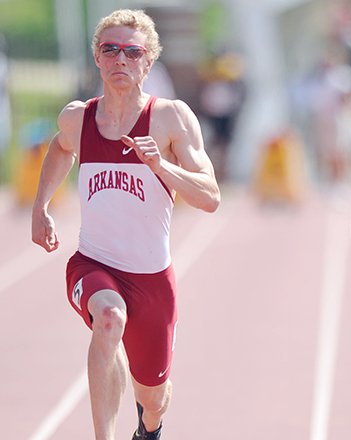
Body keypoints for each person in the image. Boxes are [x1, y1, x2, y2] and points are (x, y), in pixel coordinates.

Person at [31, 9, 220, 440]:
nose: (120, 60)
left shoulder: (170, 118)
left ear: (148, 63)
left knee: (153, 397)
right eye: (110, 50)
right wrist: (41, 205)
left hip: (152, 278)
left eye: (132, 52)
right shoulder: (78, 119)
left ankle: (148, 428)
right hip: (93, 262)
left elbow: (210, 197)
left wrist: (159, 166)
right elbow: (61, 151)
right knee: (109, 319)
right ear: (97, 58)